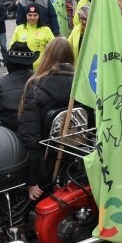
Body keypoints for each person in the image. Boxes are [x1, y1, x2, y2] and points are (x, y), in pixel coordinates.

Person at [17, 38, 75, 201]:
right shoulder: (81, 83)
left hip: (44, 164)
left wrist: (31, 181)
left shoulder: (35, 85)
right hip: (73, 157)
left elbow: (29, 136)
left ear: (47, 56)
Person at [10, 4, 54, 69]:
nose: (32, 18)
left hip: (41, 68)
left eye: (35, 15)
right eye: (29, 15)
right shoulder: (19, 29)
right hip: (23, 68)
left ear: (39, 16)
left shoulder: (46, 30)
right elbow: (12, 47)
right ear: (26, 16)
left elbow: (54, 48)